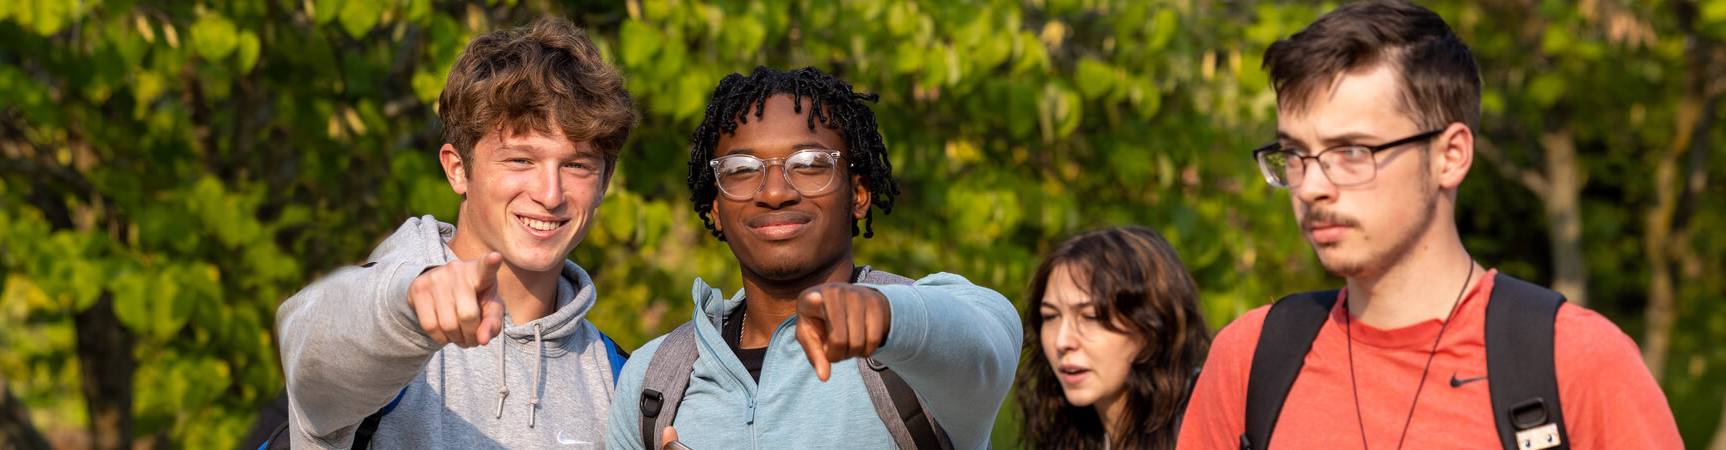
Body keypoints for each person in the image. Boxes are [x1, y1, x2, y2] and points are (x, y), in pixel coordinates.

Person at [1176, 2, 1681, 449]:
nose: (1310, 187)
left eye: (1352, 152)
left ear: (1451, 156)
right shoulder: (1250, 362)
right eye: (1295, 154)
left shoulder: (1574, 363)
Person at [602, 66, 1021, 450]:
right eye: (742, 169)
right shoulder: (652, 381)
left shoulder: (912, 355)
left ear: (858, 194)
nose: (774, 192)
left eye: (809, 164)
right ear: (715, 207)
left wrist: (886, 316)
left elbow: (990, 334)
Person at [272, 18, 636, 449]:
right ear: (457, 169)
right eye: (520, 160)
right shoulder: (387, 321)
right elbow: (308, 340)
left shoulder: (623, 382)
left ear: (604, 183)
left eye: (577, 165)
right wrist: (410, 304)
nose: (550, 194)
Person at [1016, 226, 1209, 450]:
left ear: (1151, 324)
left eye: (1090, 316)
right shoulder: (1073, 436)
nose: (1062, 341)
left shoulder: (1213, 420)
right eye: (1050, 316)